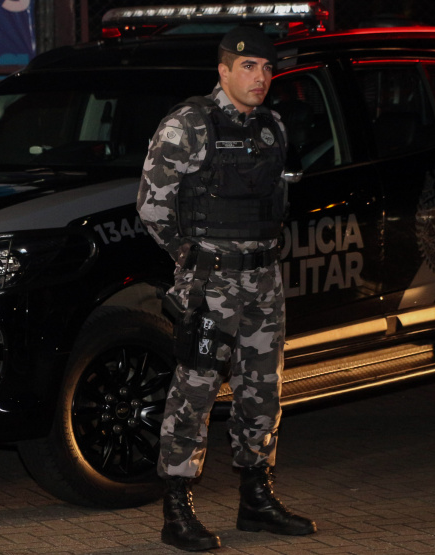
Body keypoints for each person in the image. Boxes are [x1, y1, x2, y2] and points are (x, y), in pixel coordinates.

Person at [136, 26, 317, 551]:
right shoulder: (187, 125)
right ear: (223, 69)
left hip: (263, 277)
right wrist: (190, 257)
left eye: (267, 68)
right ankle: (177, 510)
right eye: (248, 67)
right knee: (194, 390)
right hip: (211, 280)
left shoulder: (272, 127)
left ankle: (256, 500)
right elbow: (151, 206)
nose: (260, 77)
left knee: (264, 390)